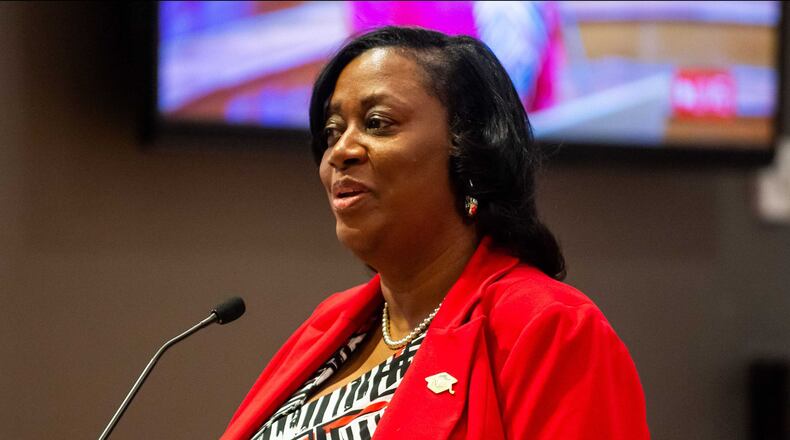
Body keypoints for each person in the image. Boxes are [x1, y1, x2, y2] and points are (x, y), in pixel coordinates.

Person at [221, 27, 649, 440]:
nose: (341, 152)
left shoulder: (549, 328)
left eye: (377, 122)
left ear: (469, 151)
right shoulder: (330, 324)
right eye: (333, 132)